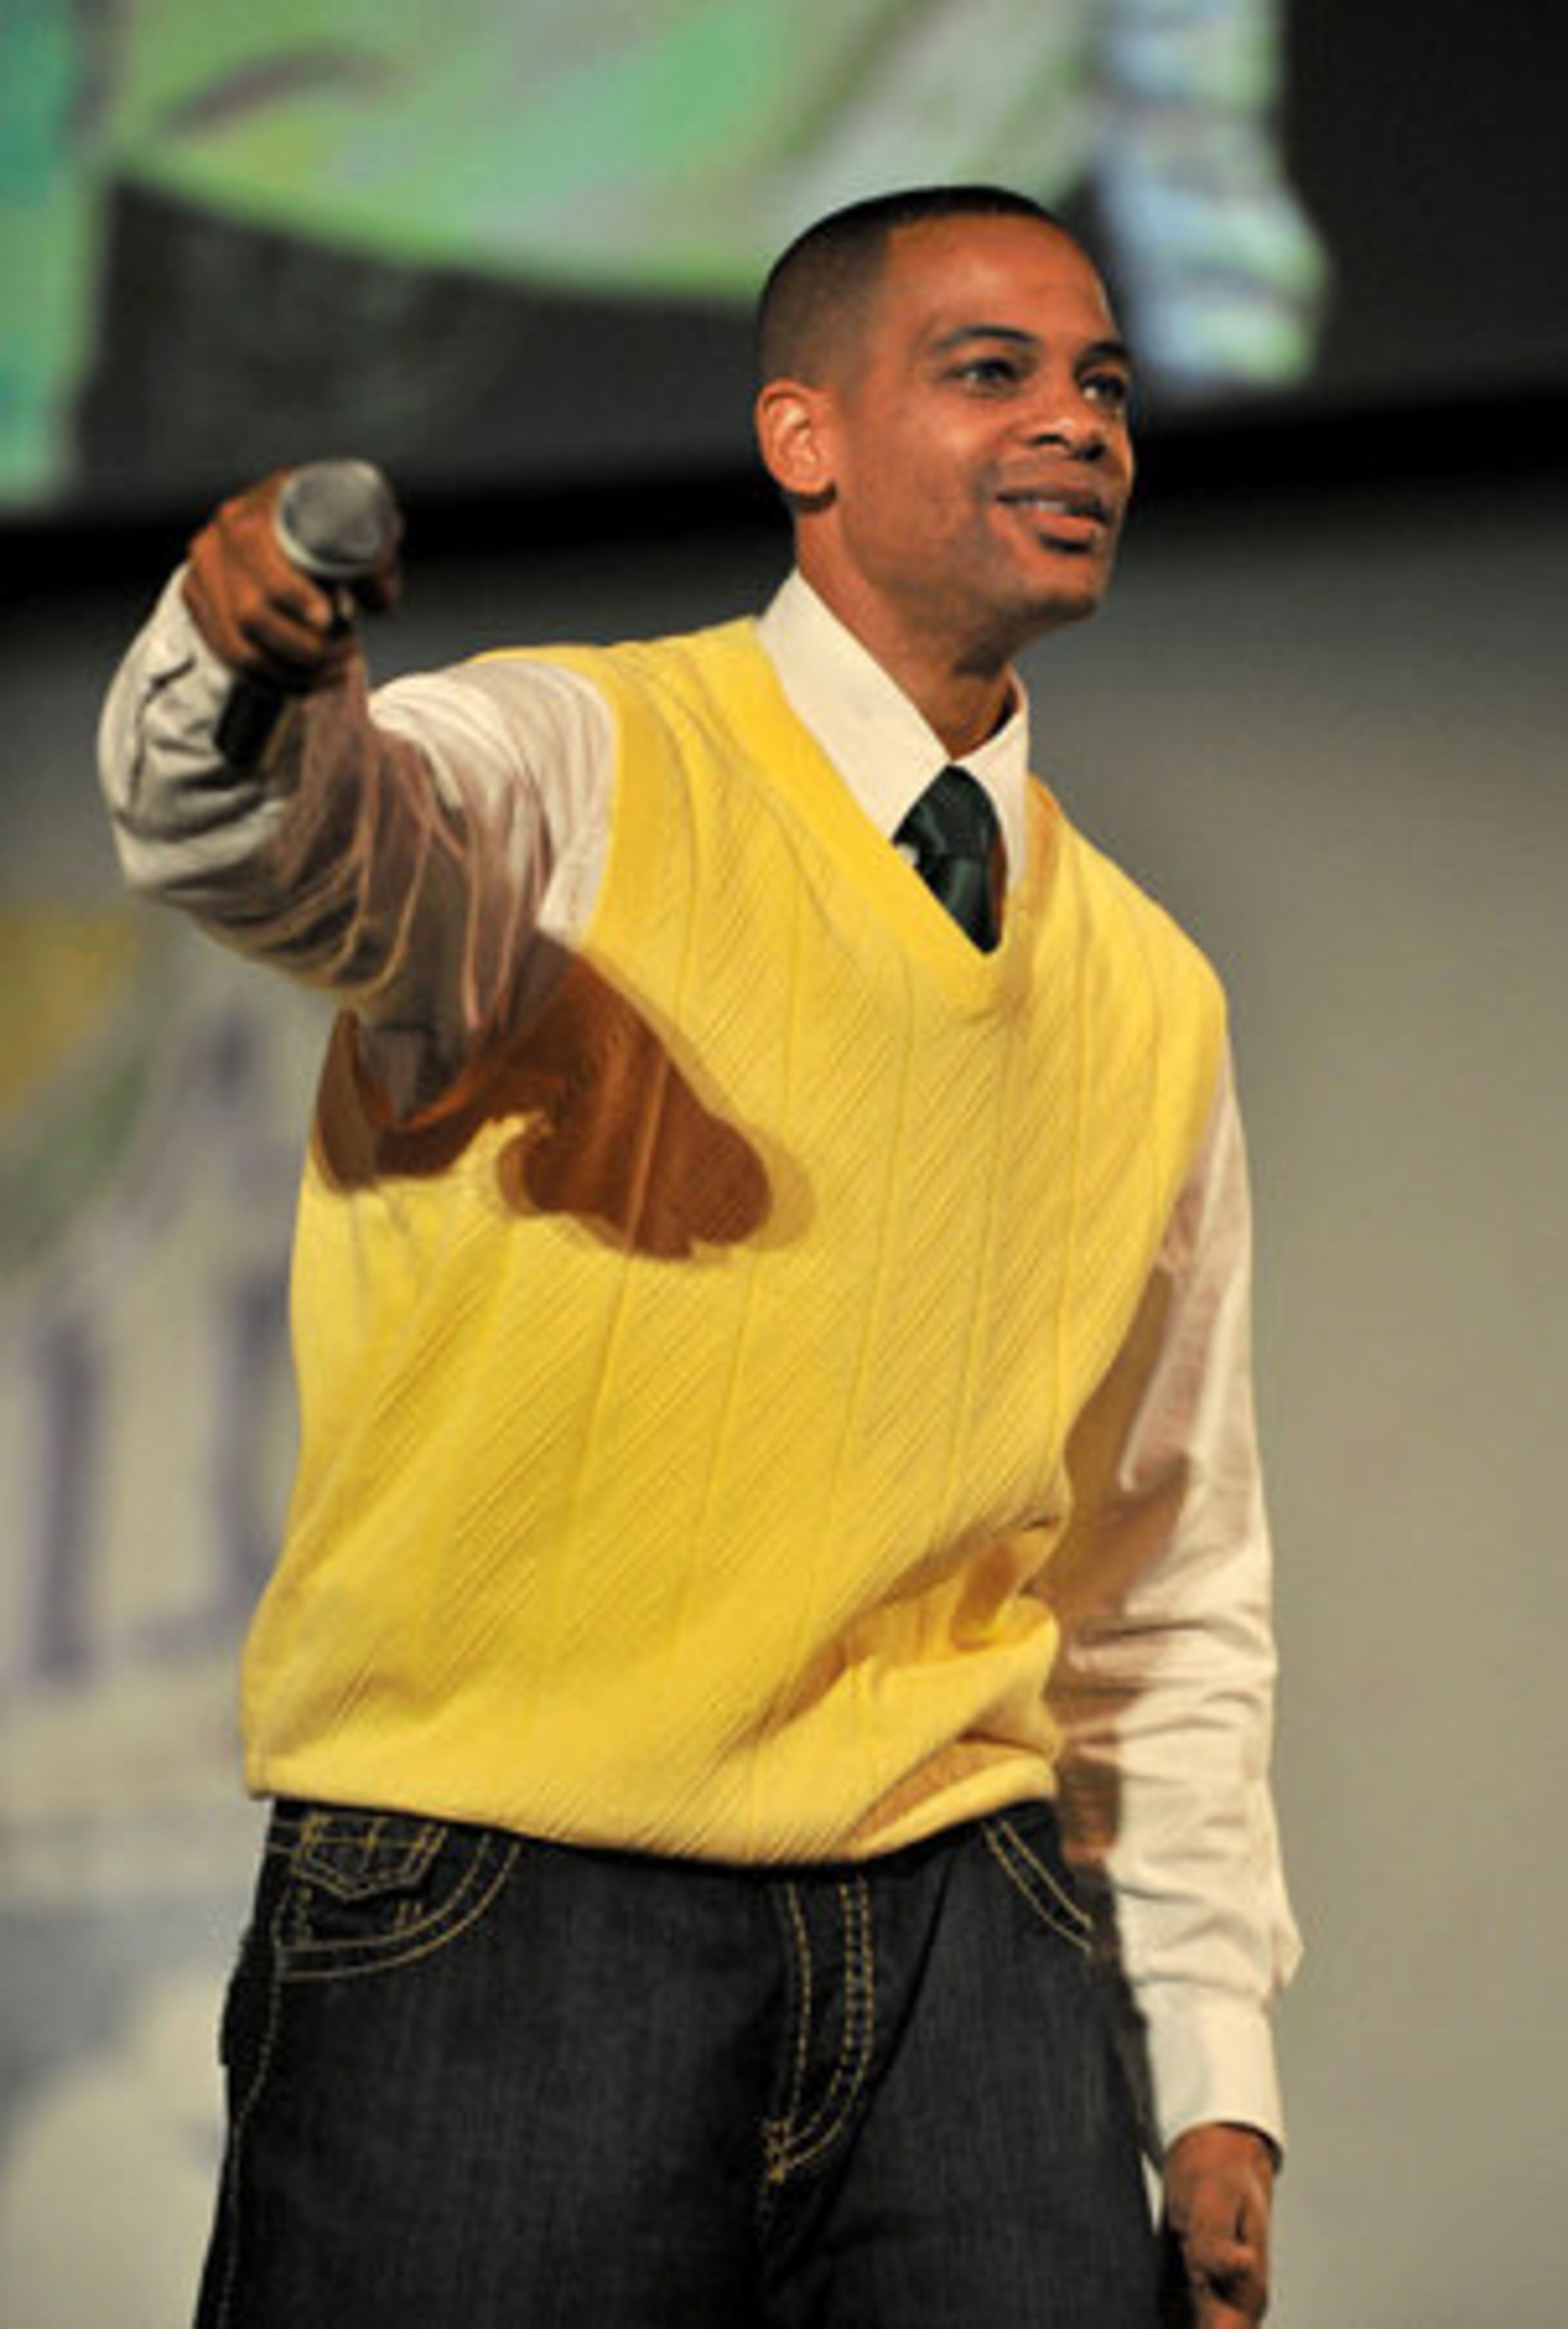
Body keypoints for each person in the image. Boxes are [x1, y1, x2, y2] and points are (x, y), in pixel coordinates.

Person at [98, 184, 1298, 2327]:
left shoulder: (1152, 992)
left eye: (1106, 382)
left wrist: (1211, 2059)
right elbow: (292, 840)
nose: (1084, 423)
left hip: (974, 1939)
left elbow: (1161, 1565)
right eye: (994, 370)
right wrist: (231, 683)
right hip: (500, 1905)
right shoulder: (578, 763)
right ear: (803, 436)